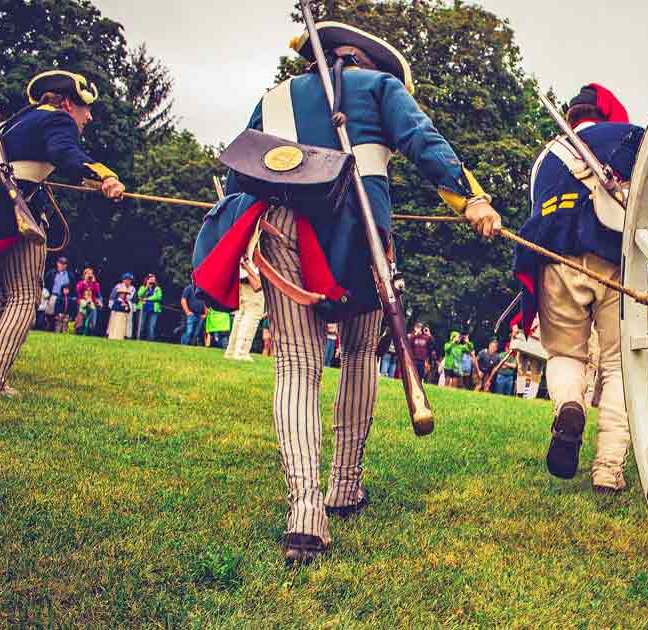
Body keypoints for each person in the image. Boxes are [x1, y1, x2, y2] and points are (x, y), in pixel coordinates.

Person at [191, 21, 501, 565]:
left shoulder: (276, 97)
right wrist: (470, 198)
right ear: (367, 62)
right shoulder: (381, 87)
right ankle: (343, 484)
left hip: (282, 225)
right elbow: (424, 145)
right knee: (359, 354)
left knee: (294, 365)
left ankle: (304, 512)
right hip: (361, 232)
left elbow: (245, 173)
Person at [513, 83, 648, 493]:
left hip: (555, 259)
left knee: (564, 354)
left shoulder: (546, 158)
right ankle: (608, 471)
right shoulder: (628, 137)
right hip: (613, 262)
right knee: (617, 365)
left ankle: (570, 407)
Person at [0, 70, 124, 394]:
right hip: (9, 216)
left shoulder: (15, 124)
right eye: (84, 108)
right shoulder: (56, 121)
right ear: (65, 104)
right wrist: (104, 176)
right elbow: (67, 153)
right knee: (24, 297)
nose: (88, 117)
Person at [224, 264, 264, 361]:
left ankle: (232, 351)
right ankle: (241, 352)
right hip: (251, 274)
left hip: (242, 275)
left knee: (241, 314)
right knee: (253, 313)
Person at [74, 267, 102, 335]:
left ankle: (89, 331)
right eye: (88, 274)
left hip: (92, 304)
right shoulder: (80, 283)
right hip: (82, 303)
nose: (89, 275)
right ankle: (79, 332)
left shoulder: (95, 284)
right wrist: (85, 281)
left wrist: (94, 282)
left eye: (91, 274)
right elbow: (77, 293)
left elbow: (98, 294)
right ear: (84, 275)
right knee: (80, 321)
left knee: (92, 323)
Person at [134, 274, 162, 341]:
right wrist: (146, 287)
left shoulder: (157, 288)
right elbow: (139, 295)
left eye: (154, 280)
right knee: (141, 326)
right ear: (147, 280)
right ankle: (138, 339)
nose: (152, 281)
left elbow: (158, 297)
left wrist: (147, 299)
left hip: (154, 310)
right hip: (143, 309)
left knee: (151, 326)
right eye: (151, 279)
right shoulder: (142, 287)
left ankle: (150, 341)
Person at [110, 272, 137, 338]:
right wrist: (112, 305)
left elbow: (134, 299)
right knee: (115, 321)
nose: (128, 281)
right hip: (117, 305)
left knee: (128, 321)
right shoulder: (118, 286)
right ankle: (113, 334)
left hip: (128, 305)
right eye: (126, 279)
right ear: (123, 280)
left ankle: (126, 335)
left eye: (130, 280)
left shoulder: (133, 288)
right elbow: (112, 296)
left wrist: (133, 307)